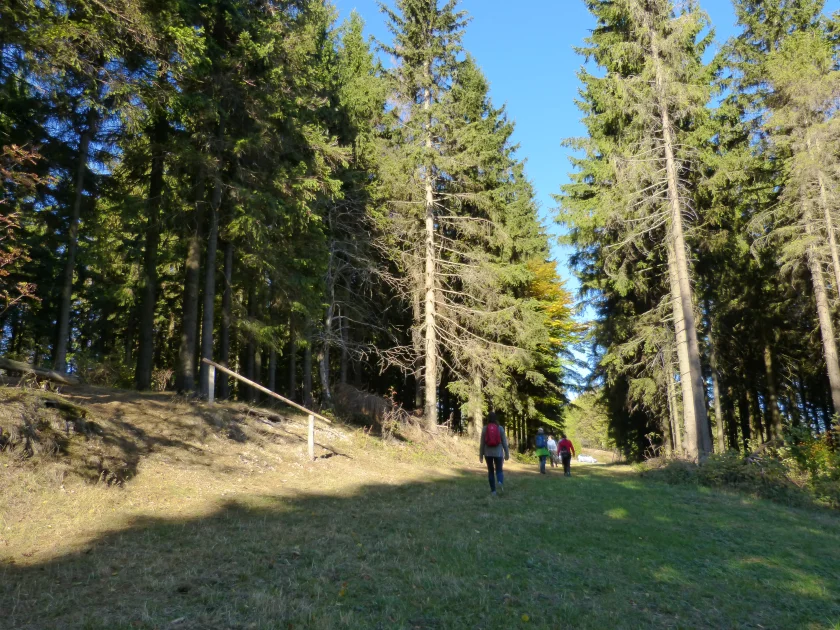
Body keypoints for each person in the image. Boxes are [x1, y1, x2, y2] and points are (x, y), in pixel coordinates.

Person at [479, 412, 510, 496]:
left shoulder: (485, 429)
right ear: (496, 419)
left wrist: (481, 455)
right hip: (498, 452)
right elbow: (504, 442)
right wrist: (507, 453)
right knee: (499, 469)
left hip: (488, 453)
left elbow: (482, 443)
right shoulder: (500, 428)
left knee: (491, 471)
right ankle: (500, 481)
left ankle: (493, 491)